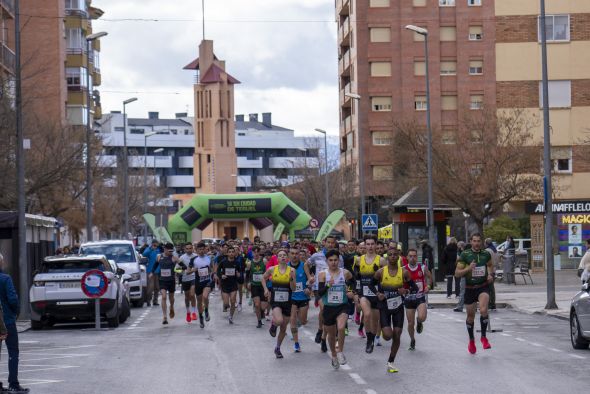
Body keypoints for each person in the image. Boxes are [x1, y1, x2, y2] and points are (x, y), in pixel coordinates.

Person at [372, 245, 413, 373]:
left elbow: (414, 288)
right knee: (388, 336)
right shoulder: (381, 272)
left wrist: (405, 290)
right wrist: (378, 293)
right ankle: (383, 330)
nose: (393, 257)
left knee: (397, 335)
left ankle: (391, 362)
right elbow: (369, 284)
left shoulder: (404, 272)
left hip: (398, 307)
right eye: (390, 255)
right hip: (384, 306)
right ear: (387, 257)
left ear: (398, 256)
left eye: (395, 254)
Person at [455, 234, 494, 354]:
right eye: (474, 241)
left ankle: (483, 337)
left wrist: (490, 275)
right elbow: (457, 273)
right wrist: (468, 269)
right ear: (471, 242)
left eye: (478, 241)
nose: (477, 243)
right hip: (469, 288)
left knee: (483, 310)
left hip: (483, 287)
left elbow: (490, 265)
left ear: (481, 242)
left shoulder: (486, 254)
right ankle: (471, 340)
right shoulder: (465, 255)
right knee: (470, 316)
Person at [317, 250, 355, 369]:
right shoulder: (323, 274)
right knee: (331, 335)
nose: (333, 263)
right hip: (328, 307)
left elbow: (354, 282)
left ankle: (340, 352)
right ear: (327, 261)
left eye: (335, 260)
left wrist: (351, 291)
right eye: (331, 260)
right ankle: (333, 355)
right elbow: (320, 292)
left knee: (341, 327)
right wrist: (328, 285)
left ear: (339, 261)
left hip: (342, 306)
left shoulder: (345, 273)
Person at [0, 253, 27, 393]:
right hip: (6, 321)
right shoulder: (5, 279)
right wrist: (15, 312)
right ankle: (13, 384)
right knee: (13, 352)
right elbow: (13, 299)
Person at [262, 250, 296, 359]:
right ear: (277, 258)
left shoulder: (292, 270)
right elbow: (263, 278)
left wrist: (291, 279)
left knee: (283, 328)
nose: (282, 257)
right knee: (279, 320)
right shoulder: (272, 269)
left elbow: (293, 288)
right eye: (280, 255)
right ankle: (273, 324)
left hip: (287, 301)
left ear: (287, 258)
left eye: (284, 255)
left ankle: (277, 348)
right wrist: (266, 289)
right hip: (275, 300)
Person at [354, 235, 382, 353]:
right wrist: (355, 292)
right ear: (364, 245)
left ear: (375, 245)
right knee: (367, 314)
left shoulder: (381, 260)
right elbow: (356, 277)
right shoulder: (359, 260)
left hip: (376, 294)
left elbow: (386, 277)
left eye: (372, 244)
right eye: (368, 244)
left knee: (375, 321)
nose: (370, 246)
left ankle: (371, 339)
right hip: (364, 293)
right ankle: (369, 341)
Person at [403, 248, 431, 351]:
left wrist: (428, 286)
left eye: (414, 256)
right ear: (407, 257)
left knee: (422, 317)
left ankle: (419, 322)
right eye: (410, 256)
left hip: (420, 297)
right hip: (409, 299)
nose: (412, 258)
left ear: (417, 257)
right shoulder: (403, 269)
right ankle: (412, 339)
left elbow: (430, 277)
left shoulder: (422, 267)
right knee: (410, 323)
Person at [289, 247, 312, 353]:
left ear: (299, 255)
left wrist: (309, 288)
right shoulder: (286, 267)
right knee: (292, 319)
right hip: (291, 297)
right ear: (289, 254)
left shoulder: (304, 265)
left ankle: (299, 321)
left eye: (296, 253)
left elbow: (310, 279)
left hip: (303, 296)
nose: (294, 255)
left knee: (302, 321)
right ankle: (296, 343)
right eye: (292, 253)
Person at [155, 243, 178, 324]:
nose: (171, 252)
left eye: (172, 251)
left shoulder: (174, 257)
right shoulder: (159, 257)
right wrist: (151, 273)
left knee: (171, 298)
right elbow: (155, 265)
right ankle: (164, 316)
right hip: (162, 280)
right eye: (169, 251)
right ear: (165, 249)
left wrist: (181, 270)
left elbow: (181, 266)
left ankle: (171, 306)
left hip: (171, 280)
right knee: (164, 297)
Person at [217, 246, 240, 324]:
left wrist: (238, 274)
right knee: (226, 303)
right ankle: (226, 306)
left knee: (233, 301)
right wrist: (221, 276)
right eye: (229, 252)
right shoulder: (223, 262)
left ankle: (231, 316)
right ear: (227, 253)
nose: (231, 253)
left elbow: (240, 273)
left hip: (233, 284)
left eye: (232, 252)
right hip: (225, 284)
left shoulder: (237, 263)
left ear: (235, 253)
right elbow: (218, 271)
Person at [193, 242, 214, 324]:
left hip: (207, 281)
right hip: (198, 282)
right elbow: (188, 271)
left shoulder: (209, 258)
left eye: (203, 249)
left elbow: (212, 268)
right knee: (198, 301)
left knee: (205, 297)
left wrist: (213, 273)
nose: (201, 251)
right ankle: (201, 316)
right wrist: (193, 270)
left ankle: (206, 311)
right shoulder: (194, 259)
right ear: (197, 250)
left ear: (205, 249)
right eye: (200, 249)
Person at [177, 243, 198, 325]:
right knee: (187, 297)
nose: (189, 250)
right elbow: (176, 269)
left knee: (192, 295)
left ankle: (193, 312)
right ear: (185, 249)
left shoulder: (196, 256)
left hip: (194, 278)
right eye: (187, 248)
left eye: (190, 248)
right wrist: (182, 271)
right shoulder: (182, 257)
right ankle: (188, 312)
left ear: (192, 248)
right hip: (185, 279)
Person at [247, 246, 268, 328]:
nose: (255, 254)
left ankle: (262, 312)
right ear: (252, 253)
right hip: (254, 285)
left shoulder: (264, 261)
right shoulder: (249, 263)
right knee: (256, 304)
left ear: (259, 252)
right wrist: (248, 282)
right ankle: (259, 321)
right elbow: (248, 274)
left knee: (263, 306)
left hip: (263, 286)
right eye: (254, 252)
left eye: (257, 252)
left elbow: (267, 272)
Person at [143, 240, 161, 306]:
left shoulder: (158, 250)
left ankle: (155, 301)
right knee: (150, 287)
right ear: (152, 244)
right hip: (150, 271)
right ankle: (148, 301)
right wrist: (151, 249)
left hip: (157, 271)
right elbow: (144, 254)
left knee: (157, 287)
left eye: (156, 245)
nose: (155, 246)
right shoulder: (148, 249)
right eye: (154, 245)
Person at [484, 238, 498, 311]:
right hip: (494, 270)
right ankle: (493, 304)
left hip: (488, 270)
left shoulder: (487, 251)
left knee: (488, 289)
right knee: (492, 288)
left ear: (486, 243)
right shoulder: (494, 250)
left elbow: (486, 261)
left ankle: (490, 304)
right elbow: (497, 260)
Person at [454, 241, 467, 313]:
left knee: (462, 291)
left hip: (464, 274)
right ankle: (474, 307)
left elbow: (458, 263)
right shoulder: (469, 253)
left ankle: (460, 306)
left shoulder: (463, 254)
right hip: (469, 275)